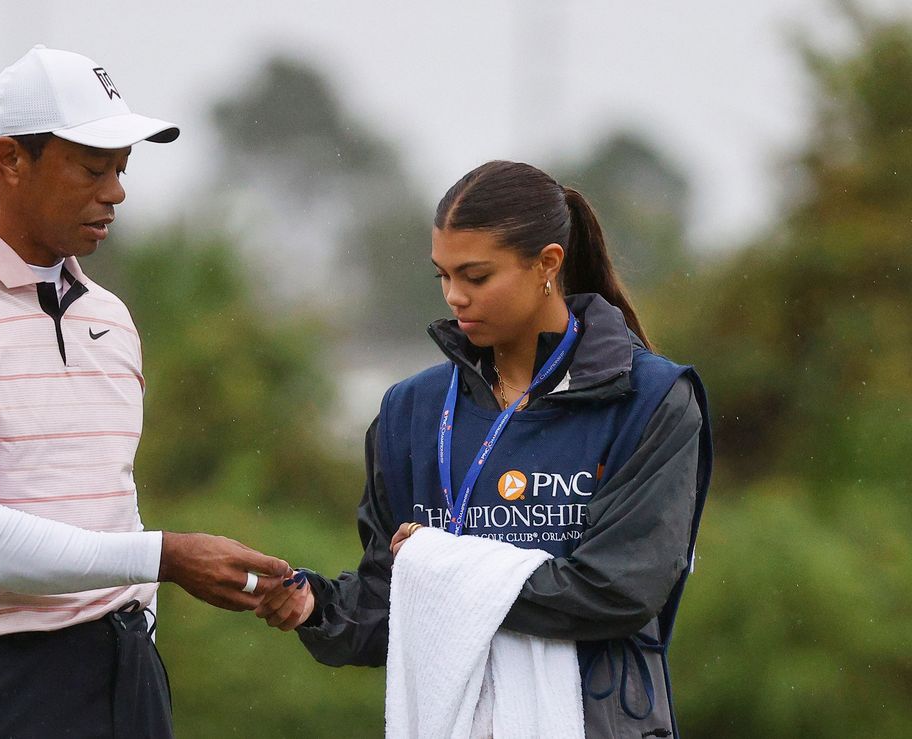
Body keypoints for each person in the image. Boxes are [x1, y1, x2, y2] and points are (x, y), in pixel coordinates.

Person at [0, 46, 289, 739]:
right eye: (92, 166)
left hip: (127, 671)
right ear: (12, 160)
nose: (116, 191)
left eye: (122, 168)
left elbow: (112, 497)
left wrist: (140, 610)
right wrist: (165, 555)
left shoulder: (107, 315)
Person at [257, 160, 713, 738]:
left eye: (476, 277)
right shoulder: (412, 410)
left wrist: (442, 568)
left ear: (548, 264)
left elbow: (618, 591)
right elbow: (392, 602)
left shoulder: (650, 400)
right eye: (442, 277)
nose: (455, 297)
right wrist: (315, 606)